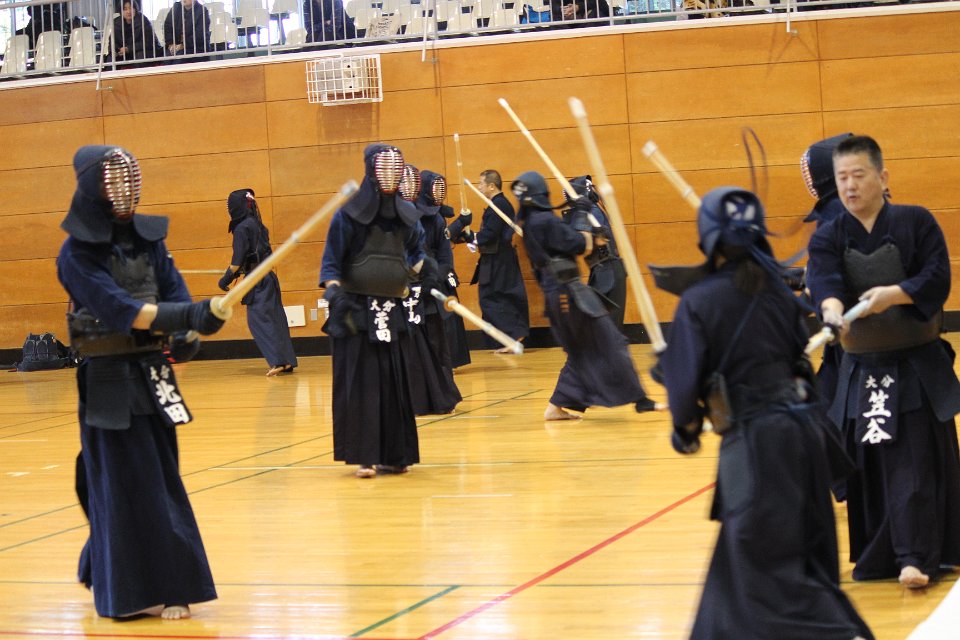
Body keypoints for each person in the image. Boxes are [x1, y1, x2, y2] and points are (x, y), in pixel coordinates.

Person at [657, 185, 874, 640]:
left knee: (766, 569)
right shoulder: (778, 291)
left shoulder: (699, 301)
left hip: (759, 445)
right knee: (768, 564)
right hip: (807, 436)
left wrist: (685, 422)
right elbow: (799, 362)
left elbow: (685, 398)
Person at [57, 145, 224, 619]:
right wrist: (185, 316)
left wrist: (188, 331)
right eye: (114, 183)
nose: (125, 192)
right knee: (116, 484)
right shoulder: (76, 254)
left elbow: (173, 293)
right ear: (95, 189)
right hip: (108, 381)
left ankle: (174, 585)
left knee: (160, 480)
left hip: (152, 373)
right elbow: (122, 310)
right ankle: (123, 590)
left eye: (129, 181)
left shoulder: (150, 242)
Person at [806, 135, 960, 589]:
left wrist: (896, 294)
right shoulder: (830, 234)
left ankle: (916, 556)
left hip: (914, 367)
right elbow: (824, 280)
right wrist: (832, 309)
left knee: (913, 463)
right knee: (870, 467)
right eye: (842, 178)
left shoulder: (916, 221)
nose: (850, 186)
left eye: (858, 175)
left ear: (882, 176)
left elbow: (937, 276)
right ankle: (880, 556)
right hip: (863, 370)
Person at [320, 143, 433, 478]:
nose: (390, 175)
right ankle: (365, 457)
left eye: (395, 168)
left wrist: (426, 272)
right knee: (362, 384)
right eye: (384, 168)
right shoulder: (348, 215)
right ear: (371, 170)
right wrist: (334, 292)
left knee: (394, 383)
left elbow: (415, 253)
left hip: (391, 310)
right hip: (355, 312)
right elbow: (331, 264)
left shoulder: (407, 216)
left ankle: (396, 455)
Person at [510, 171, 656, 420]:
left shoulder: (532, 222)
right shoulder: (544, 221)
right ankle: (638, 398)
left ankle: (559, 404)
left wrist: (579, 214)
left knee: (588, 348)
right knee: (608, 341)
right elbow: (584, 245)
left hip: (563, 293)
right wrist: (580, 213)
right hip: (567, 294)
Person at [397, 165, 461, 415]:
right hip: (401, 296)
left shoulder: (435, 219)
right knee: (407, 352)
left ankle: (442, 398)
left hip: (430, 292)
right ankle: (409, 402)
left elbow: (445, 258)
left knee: (437, 347)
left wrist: (433, 279)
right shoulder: (391, 220)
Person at [218, 188, 298, 377]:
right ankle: (287, 361)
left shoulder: (241, 228)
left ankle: (278, 361)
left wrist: (226, 278)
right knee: (275, 319)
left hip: (257, 281)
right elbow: (255, 256)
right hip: (268, 278)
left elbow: (237, 261)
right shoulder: (259, 225)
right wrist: (238, 272)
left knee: (258, 321)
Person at [449, 169, 529, 353]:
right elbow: (489, 233)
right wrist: (467, 237)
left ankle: (514, 336)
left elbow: (490, 234)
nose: (479, 187)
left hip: (499, 260)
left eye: (482, 184)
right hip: (496, 258)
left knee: (493, 298)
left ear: (492, 186)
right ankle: (511, 337)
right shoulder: (498, 204)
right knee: (494, 297)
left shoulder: (500, 205)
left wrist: (470, 237)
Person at [800, 133, 853, 409]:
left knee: (827, 412)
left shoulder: (834, 212)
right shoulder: (849, 204)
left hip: (854, 331)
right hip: (850, 327)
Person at [561, 175, 627, 332]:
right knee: (597, 326)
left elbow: (581, 243)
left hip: (610, 272)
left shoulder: (592, 212)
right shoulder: (587, 211)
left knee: (608, 329)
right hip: (602, 271)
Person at [110, 1, 163, 65]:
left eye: (131, 8)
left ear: (135, 9)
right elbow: (112, 41)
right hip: (126, 53)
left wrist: (128, 49)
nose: (128, 11)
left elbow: (149, 42)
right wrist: (115, 51)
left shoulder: (143, 20)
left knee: (140, 56)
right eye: (125, 9)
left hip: (146, 51)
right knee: (110, 58)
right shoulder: (116, 22)